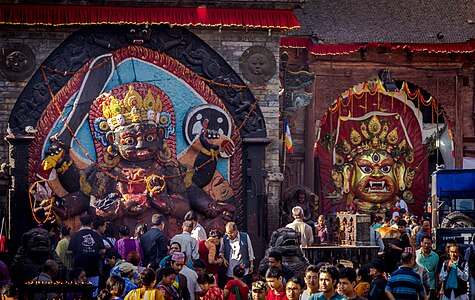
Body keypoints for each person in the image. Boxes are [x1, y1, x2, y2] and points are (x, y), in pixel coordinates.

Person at [67, 214, 106, 297]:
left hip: (79, 272)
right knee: (92, 294)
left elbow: (69, 251)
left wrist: (79, 252)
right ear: (91, 223)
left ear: (80, 223)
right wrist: (94, 252)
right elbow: (103, 251)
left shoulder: (75, 235)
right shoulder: (96, 235)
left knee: (79, 294)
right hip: (94, 270)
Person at [416, 235, 439, 299]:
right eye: (425, 243)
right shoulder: (415, 254)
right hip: (418, 287)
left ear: (431, 244)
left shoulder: (435, 256)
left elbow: (436, 273)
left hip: (431, 288)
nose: (426, 245)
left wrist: (436, 288)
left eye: (428, 243)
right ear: (421, 243)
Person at [463, 234, 475, 300]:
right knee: (472, 293)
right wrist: (466, 277)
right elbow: (466, 264)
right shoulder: (469, 250)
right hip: (472, 274)